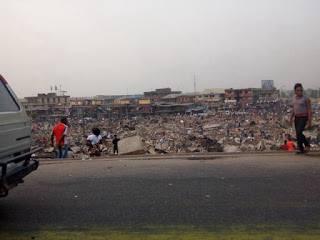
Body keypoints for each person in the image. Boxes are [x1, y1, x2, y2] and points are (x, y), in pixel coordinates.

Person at [289, 83, 312, 154]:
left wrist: (309, 120)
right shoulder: (294, 99)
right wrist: (291, 118)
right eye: (298, 90)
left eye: (301, 90)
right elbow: (294, 109)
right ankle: (301, 149)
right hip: (297, 117)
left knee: (299, 131)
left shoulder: (306, 99)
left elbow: (309, 109)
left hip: (304, 117)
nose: (299, 92)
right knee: (297, 133)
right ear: (295, 91)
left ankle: (307, 145)